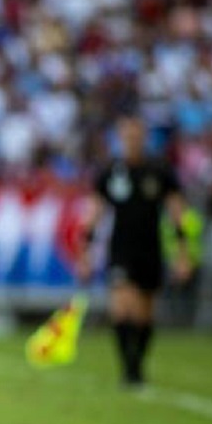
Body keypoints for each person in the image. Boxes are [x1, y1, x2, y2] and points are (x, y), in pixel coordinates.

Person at [77, 114, 192, 389]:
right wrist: (85, 252)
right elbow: (94, 213)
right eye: (126, 136)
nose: (131, 141)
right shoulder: (110, 172)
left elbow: (177, 214)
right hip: (121, 248)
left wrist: (183, 254)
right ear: (120, 138)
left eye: (136, 136)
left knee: (144, 313)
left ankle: (137, 365)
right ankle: (128, 370)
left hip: (151, 248)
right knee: (122, 307)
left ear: (144, 137)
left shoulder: (160, 171)